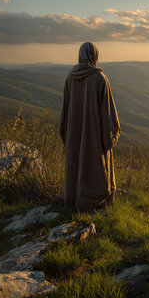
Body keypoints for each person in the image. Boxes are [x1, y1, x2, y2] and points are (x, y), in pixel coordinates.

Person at [59, 42, 121, 211]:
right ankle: (95, 202)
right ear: (95, 56)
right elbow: (107, 114)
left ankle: (74, 200)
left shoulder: (70, 77)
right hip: (94, 137)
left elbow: (65, 109)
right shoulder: (100, 79)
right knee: (98, 168)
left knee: (76, 164)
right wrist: (109, 137)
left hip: (74, 135)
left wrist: (65, 133)